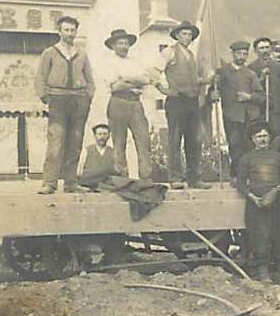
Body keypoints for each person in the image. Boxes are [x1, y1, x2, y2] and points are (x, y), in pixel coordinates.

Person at [35, 15, 95, 194]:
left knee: (75, 141)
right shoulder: (49, 53)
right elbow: (40, 77)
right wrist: (46, 97)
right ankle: (49, 183)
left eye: (72, 30)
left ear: (76, 32)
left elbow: (90, 80)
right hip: (58, 100)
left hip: (78, 101)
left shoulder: (82, 54)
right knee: (56, 141)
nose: (70, 33)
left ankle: (70, 183)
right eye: (66, 30)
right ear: (59, 31)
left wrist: (87, 97)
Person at [235, 122, 280, 285]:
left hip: (276, 202)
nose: (262, 139)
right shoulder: (246, 158)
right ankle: (263, 275)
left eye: (265, 136)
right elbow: (240, 183)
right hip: (256, 204)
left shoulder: (276, 156)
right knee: (260, 237)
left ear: (269, 137)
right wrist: (253, 198)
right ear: (253, 139)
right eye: (259, 136)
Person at [152, 20, 211, 190]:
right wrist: (163, 89)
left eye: (190, 34)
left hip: (192, 102)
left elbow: (193, 79)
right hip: (177, 101)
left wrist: (207, 80)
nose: (187, 37)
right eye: (184, 33)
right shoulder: (169, 52)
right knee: (175, 139)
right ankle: (175, 177)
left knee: (194, 140)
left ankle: (194, 178)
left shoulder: (191, 56)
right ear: (177, 35)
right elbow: (153, 70)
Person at [104, 28, 152, 180]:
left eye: (126, 43)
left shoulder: (135, 62)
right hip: (118, 102)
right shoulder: (108, 62)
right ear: (113, 46)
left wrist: (125, 78)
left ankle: (146, 176)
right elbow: (115, 87)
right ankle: (121, 177)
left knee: (143, 139)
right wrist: (134, 82)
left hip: (136, 104)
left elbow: (146, 80)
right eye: (120, 43)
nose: (124, 46)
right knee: (119, 142)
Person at [216, 41, 266, 178]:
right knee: (234, 145)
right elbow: (215, 89)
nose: (242, 56)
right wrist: (213, 94)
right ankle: (236, 175)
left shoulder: (250, 74)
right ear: (232, 54)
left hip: (249, 117)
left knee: (249, 146)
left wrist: (249, 96)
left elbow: (261, 96)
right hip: (232, 116)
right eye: (239, 53)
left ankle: (248, 175)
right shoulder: (223, 72)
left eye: (245, 54)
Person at [248, 37, 280, 137]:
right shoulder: (250, 69)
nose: (265, 51)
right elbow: (249, 91)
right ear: (255, 51)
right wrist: (260, 78)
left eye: (267, 47)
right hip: (258, 114)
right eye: (261, 48)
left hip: (277, 114)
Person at [78, 123, 115, 189]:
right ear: (95, 136)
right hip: (89, 182)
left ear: (109, 136)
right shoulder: (86, 151)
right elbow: (79, 171)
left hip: (106, 184)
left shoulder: (113, 152)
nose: (102, 137)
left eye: (105, 134)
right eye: (100, 134)